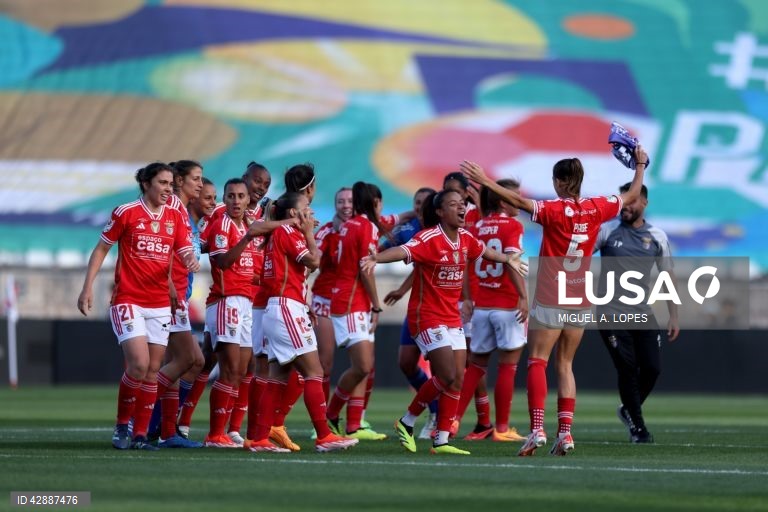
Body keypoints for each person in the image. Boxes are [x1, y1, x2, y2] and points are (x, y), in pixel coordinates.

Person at [460, 149, 647, 456]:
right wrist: (639, 166)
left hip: (551, 293)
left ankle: (537, 430)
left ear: (560, 182)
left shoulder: (552, 210)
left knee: (537, 361)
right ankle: (565, 433)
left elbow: (519, 203)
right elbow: (631, 196)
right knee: (566, 365)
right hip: (580, 297)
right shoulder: (598, 206)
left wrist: (484, 181)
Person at [362, 189, 527, 455]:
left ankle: (441, 441)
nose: (461, 208)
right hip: (426, 315)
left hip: (451, 316)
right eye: (454, 204)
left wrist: (508, 258)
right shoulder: (429, 238)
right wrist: (375, 258)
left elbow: (486, 252)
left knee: (458, 379)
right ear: (440, 212)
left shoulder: (465, 238)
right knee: (447, 375)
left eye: (462, 204)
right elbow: (402, 252)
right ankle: (407, 421)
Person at [77, 162, 200, 451]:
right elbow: (102, 248)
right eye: (162, 183)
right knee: (139, 365)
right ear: (146, 184)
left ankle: (141, 436)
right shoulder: (126, 212)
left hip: (159, 304)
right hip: (128, 299)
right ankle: (122, 426)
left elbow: (182, 250)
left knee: (153, 369)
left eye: (171, 183)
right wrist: (87, 287)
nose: (168, 189)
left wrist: (190, 261)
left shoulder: (175, 216)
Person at [249, 192, 359, 453]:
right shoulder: (288, 233)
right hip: (286, 309)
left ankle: (261, 438)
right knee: (314, 371)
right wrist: (309, 234)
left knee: (278, 377)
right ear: (292, 214)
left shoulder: (281, 234)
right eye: (306, 208)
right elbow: (314, 261)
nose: (310, 213)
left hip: (282, 308)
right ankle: (324, 436)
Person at [201, 178, 288, 448]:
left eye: (241, 196)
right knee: (230, 369)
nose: (236, 201)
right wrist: (247, 238)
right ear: (224, 200)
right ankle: (215, 433)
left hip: (245, 303)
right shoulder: (222, 225)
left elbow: (252, 266)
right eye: (231, 196)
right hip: (226, 301)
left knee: (243, 368)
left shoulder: (246, 225)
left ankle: (228, 430)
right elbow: (222, 262)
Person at [594, 183, 679, 444]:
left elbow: (667, 275)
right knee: (628, 369)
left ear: (644, 203)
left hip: (642, 312)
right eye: (623, 201)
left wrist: (673, 315)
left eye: (631, 201)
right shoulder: (607, 231)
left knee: (652, 369)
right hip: (611, 312)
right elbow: (580, 257)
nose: (626, 206)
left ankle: (627, 409)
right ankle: (638, 429)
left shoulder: (656, 236)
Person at [453, 179, 528, 443]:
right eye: (514, 196)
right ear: (501, 199)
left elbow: (464, 264)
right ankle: (503, 428)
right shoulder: (513, 226)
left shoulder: (478, 226)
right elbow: (511, 263)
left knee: (475, 367)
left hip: (482, 307)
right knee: (508, 366)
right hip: (506, 305)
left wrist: (469, 298)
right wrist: (523, 296)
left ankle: (452, 422)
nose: (518, 200)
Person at [145, 160, 207, 448]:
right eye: (195, 178)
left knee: (188, 362)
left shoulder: (186, 216)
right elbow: (164, 257)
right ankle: (142, 420)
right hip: (168, 297)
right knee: (188, 360)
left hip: (178, 295)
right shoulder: (172, 212)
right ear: (180, 181)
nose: (200, 183)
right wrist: (170, 291)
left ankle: (164, 429)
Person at [326, 182, 388, 440]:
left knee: (364, 365)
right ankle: (330, 415)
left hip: (348, 299)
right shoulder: (367, 227)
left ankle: (352, 424)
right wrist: (376, 304)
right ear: (374, 203)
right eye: (379, 202)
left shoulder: (348, 226)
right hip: (352, 302)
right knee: (362, 366)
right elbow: (365, 268)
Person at [380, 187, 439, 439]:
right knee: (406, 362)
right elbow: (382, 247)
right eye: (416, 202)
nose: (419, 207)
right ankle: (436, 412)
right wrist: (403, 290)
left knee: (444, 369)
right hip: (417, 307)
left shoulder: (443, 232)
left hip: (441, 310)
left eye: (425, 203)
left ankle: (441, 418)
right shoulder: (408, 229)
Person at [311, 187, 353, 405]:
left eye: (350, 201)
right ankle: (321, 422)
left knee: (363, 365)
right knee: (324, 363)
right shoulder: (327, 231)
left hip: (354, 303)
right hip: (325, 300)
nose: (346, 206)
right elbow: (313, 258)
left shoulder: (365, 229)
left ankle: (356, 422)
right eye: (341, 201)